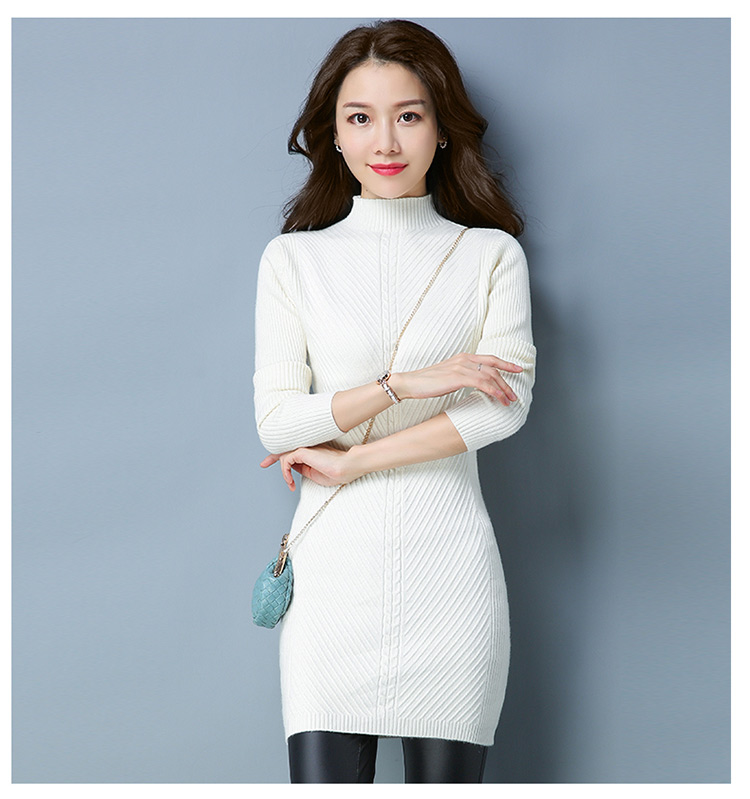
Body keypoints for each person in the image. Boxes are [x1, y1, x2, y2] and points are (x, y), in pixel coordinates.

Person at [252, 19, 537, 783]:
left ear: (442, 129)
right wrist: (403, 384)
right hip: (331, 584)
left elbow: (502, 407)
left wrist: (355, 462)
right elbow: (277, 421)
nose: (385, 141)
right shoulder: (293, 261)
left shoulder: (490, 255)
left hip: (451, 576)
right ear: (334, 135)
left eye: (408, 115)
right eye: (360, 117)